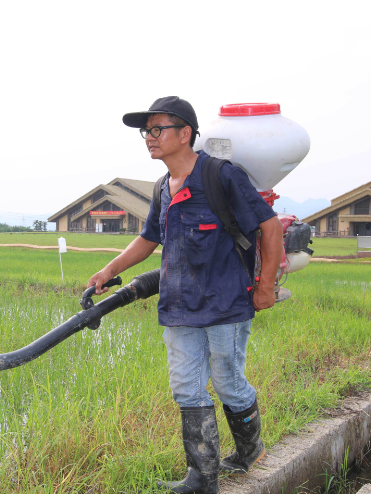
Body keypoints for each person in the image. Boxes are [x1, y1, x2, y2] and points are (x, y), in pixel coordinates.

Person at [87, 96, 283, 494]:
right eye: (147, 131)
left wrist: (264, 286)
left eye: (158, 129)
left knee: (228, 383)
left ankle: (249, 452)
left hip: (226, 303)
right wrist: (109, 271)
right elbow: (148, 240)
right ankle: (202, 477)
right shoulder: (163, 187)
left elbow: (271, 227)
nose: (149, 138)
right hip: (179, 306)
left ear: (186, 134)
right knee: (186, 389)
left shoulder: (220, 176)